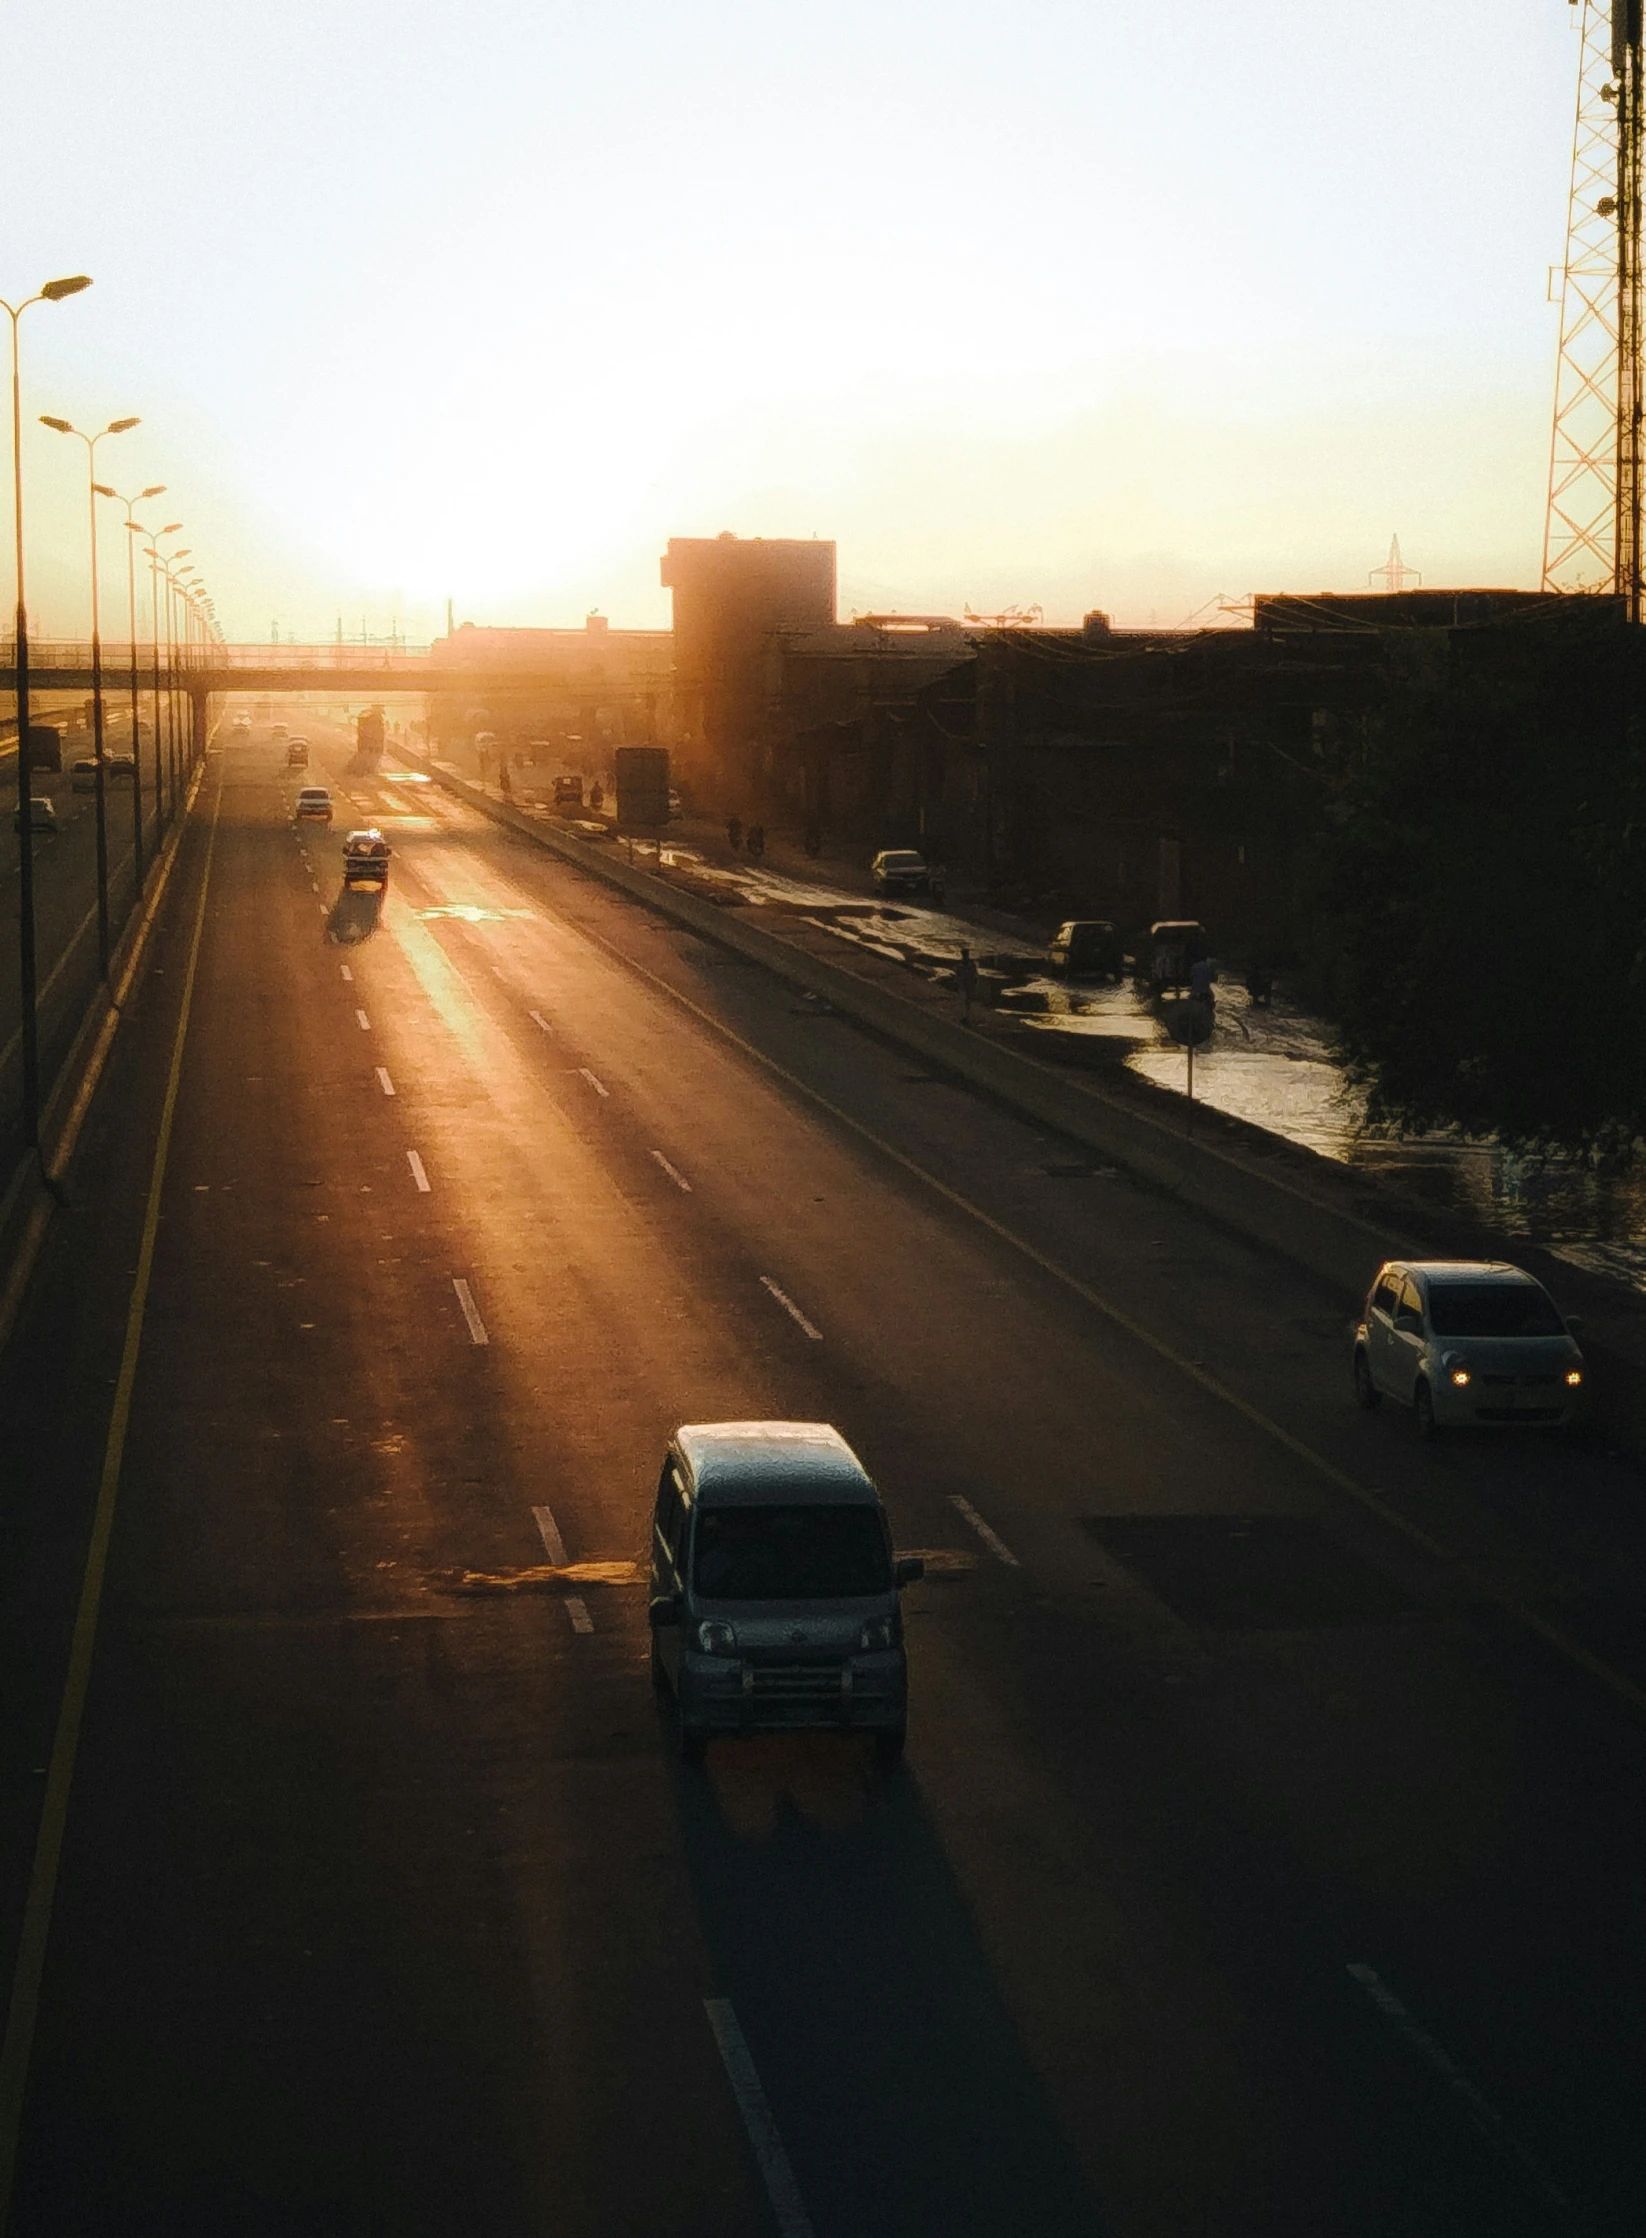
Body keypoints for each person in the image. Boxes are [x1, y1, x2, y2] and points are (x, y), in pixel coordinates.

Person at [956, 944, 980, 1024]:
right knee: (965, 1002)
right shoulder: (969, 965)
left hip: (968, 985)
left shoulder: (964, 965)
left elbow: (975, 975)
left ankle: (966, 1017)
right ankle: (965, 1017)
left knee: (967, 1002)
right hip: (966, 985)